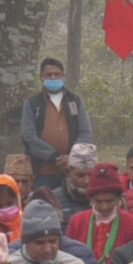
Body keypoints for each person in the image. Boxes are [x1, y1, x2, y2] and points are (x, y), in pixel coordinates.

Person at [16, 57, 92, 194]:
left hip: (73, 171)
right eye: (49, 75)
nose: (53, 78)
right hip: (43, 171)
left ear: (63, 76)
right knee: (43, 204)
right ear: (41, 77)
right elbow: (28, 136)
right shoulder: (32, 104)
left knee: (73, 204)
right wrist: (54, 157)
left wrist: (72, 156)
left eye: (57, 74)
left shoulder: (75, 101)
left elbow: (85, 132)